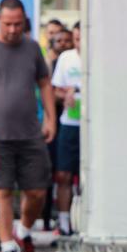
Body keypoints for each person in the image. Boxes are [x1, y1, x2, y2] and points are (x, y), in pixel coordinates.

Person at [0, 0, 56, 252]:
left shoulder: (32, 48)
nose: (12, 29)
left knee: (37, 191)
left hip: (30, 133)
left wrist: (51, 118)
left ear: (25, 21)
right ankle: (8, 247)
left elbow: (44, 83)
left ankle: (25, 231)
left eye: (18, 24)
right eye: (7, 24)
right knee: (2, 191)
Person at [51, 22, 82, 236]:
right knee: (63, 174)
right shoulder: (67, 58)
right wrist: (67, 95)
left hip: (94, 126)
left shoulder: (100, 56)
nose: (80, 44)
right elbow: (55, 91)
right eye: (77, 39)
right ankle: (63, 223)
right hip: (70, 123)